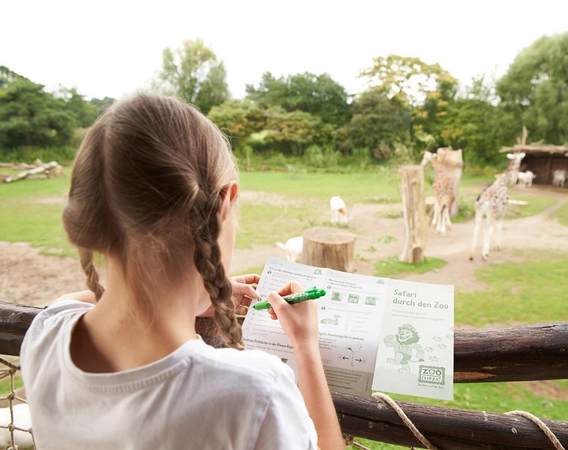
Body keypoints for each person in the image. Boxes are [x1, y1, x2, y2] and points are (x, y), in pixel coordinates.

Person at [20, 92, 345, 450]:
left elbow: (80, 303)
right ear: (224, 201)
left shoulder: (44, 336)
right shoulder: (254, 394)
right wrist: (305, 345)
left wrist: (199, 295)